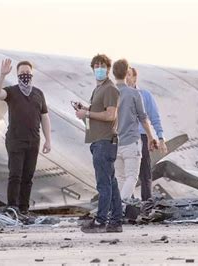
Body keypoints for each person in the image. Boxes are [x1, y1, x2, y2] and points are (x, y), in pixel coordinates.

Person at [0, 59, 52, 217]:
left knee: (28, 176)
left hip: (34, 140)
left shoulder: (38, 93)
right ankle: (12, 207)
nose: (25, 76)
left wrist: (48, 139)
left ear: (32, 74)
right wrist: (2, 75)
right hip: (15, 140)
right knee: (15, 174)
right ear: (17, 75)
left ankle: (24, 208)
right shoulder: (12, 91)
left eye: (27, 73)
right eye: (22, 73)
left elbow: (44, 117)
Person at [74, 53, 123, 233]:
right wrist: (86, 110)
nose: (99, 69)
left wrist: (87, 114)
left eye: (102, 66)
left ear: (108, 69)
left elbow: (111, 115)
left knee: (104, 183)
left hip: (104, 141)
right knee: (111, 182)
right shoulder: (98, 89)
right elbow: (99, 112)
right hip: (99, 141)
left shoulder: (110, 89)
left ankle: (101, 220)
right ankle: (116, 220)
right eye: (96, 66)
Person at [112, 59, 158, 202]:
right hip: (131, 141)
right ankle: (118, 207)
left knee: (120, 178)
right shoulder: (134, 94)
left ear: (113, 73)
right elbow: (143, 118)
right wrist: (151, 137)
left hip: (114, 142)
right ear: (126, 73)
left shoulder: (109, 93)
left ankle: (118, 210)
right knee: (132, 177)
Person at [126, 67, 167, 201]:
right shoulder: (118, 95)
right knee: (126, 174)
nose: (126, 78)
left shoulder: (145, 95)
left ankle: (146, 204)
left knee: (145, 172)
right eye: (124, 75)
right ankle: (128, 205)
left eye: (129, 75)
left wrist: (160, 137)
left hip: (142, 136)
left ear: (134, 78)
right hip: (124, 137)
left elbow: (154, 117)